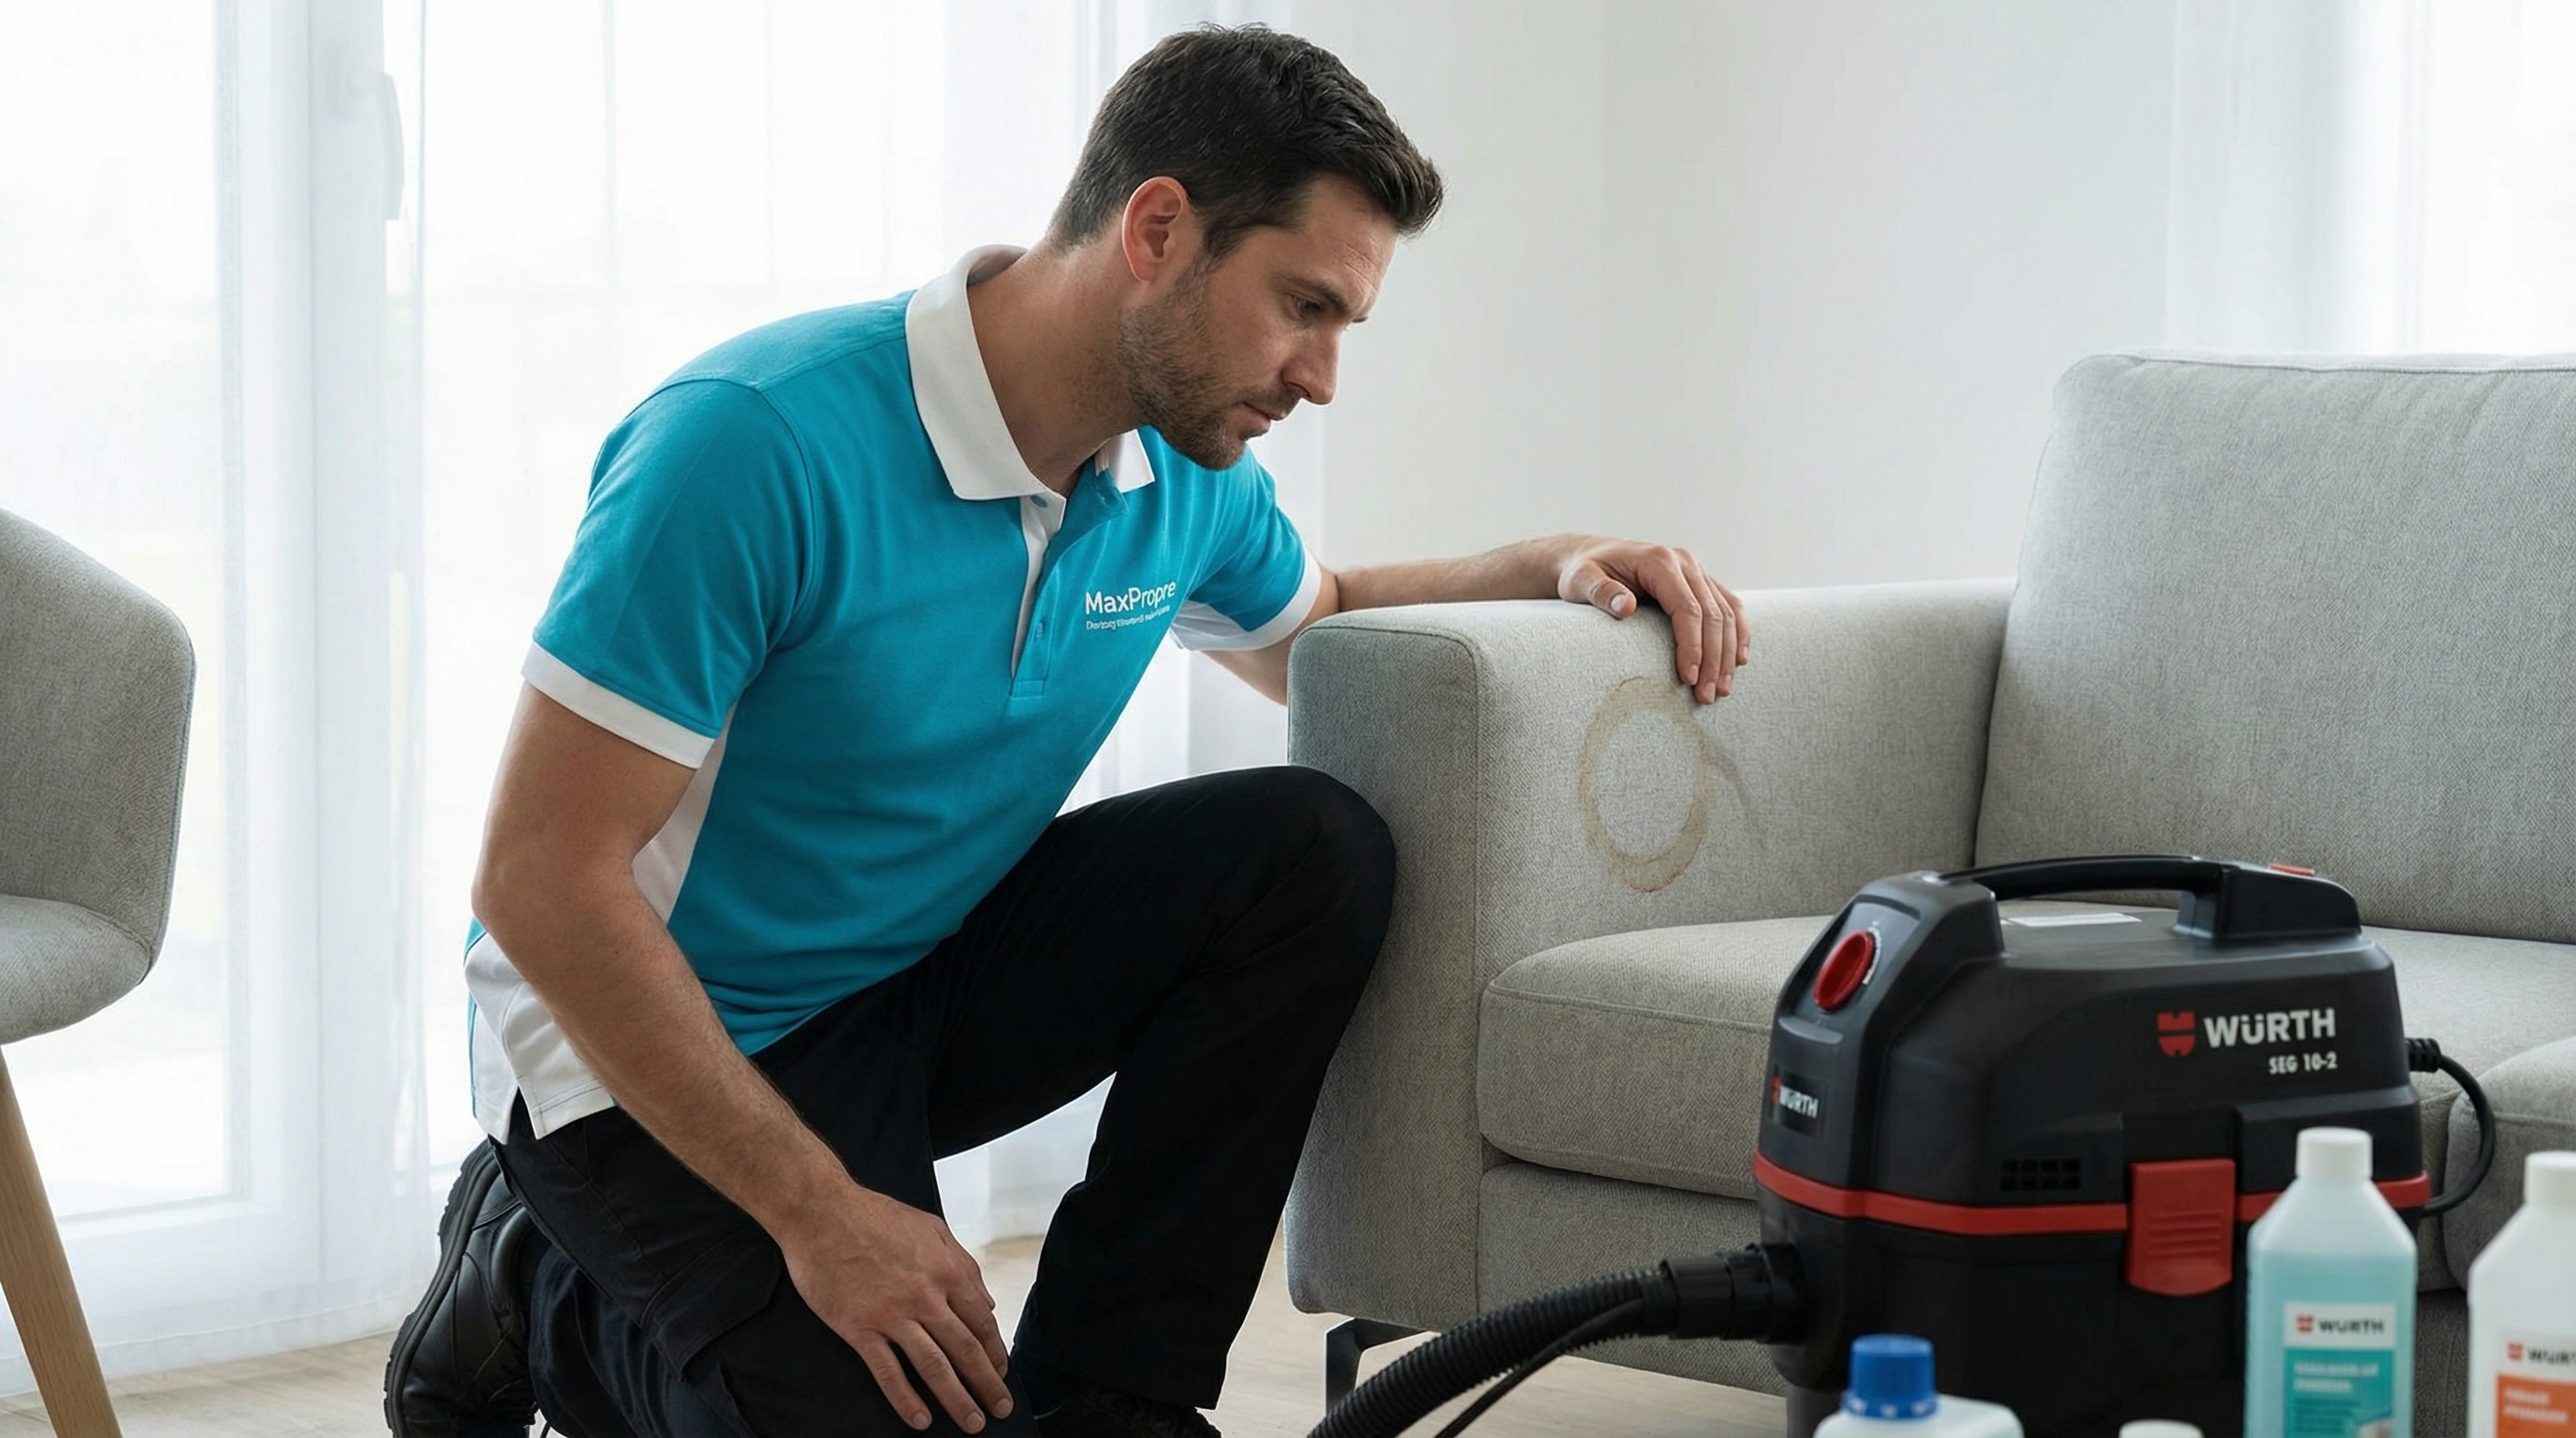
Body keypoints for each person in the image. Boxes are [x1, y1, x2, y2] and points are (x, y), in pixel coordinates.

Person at [384, 22, 1749, 1438]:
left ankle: (1115, 1399)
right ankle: (531, 1284)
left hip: (909, 982)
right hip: (642, 1040)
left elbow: (1321, 623)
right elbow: (539, 883)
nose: (1323, 375)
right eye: (1303, 306)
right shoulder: (751, 444)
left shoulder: (1182, 469)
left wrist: (1549, 560)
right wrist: (820, 1214)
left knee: (1308, 848)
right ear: (1158, 229)